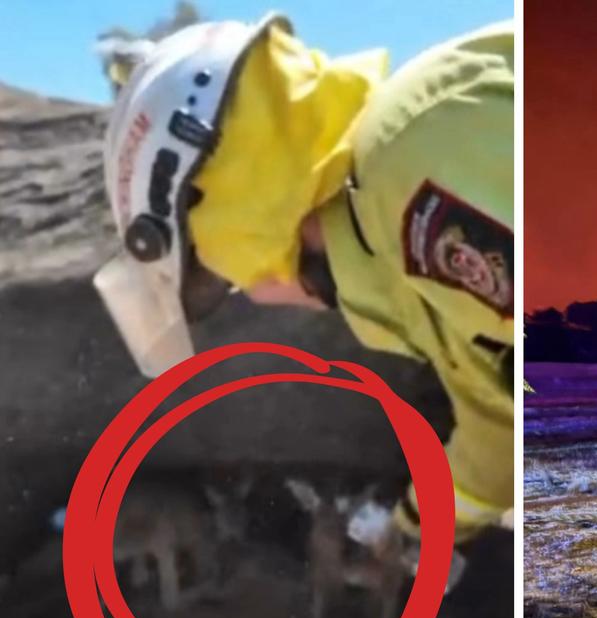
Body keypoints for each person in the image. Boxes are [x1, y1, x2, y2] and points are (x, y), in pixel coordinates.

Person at [93, 13, 514, 554]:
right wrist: (408, 528)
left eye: (227, 281)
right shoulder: (400, 263)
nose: (256, 294)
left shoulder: (413, 170)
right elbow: (495, 438)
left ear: (242, 227)